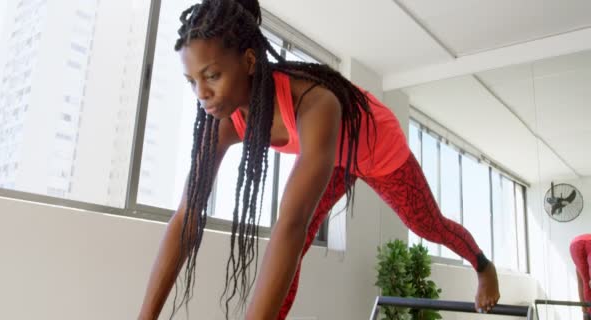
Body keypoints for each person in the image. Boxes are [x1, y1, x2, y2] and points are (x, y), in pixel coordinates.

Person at [137, 0, 500, 319]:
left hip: (374, 148)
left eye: (212, 75)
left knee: (426, 223)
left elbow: (289, 223)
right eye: (192, 81)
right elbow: (186, 216)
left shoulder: (313, 100)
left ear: (249, 61)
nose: (202, 94)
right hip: (328, 156)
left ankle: (483, 266)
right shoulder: (222, 120)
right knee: (301, 241)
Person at [570, 234, 591, 320]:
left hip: (574, 244)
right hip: (583, 243)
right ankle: (587, 312)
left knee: (585, 281)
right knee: (586, 281)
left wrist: (583, 309)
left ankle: (586, 313)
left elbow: (580, 282)